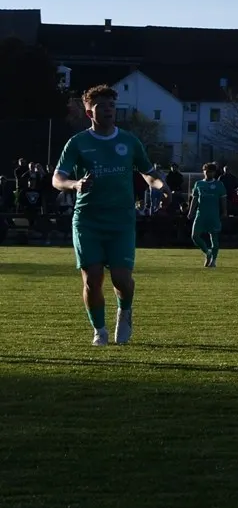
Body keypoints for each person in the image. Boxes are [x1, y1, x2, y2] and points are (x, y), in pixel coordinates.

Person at [51, 85, 165, 346]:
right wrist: (75, 184)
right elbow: (58, 178)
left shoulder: (129, 141)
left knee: (122, 279)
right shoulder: (78, 142)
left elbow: (148, 173)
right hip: (87, 219)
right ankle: (99, 331)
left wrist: (160, 186)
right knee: (92, 279)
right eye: (101, 106)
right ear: (89, 112)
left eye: (112, 105)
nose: (108, 110)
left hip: (121, 220)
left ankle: (125, 312)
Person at [189, 161, 229, 268]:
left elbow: (223, 199)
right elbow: (194, 199)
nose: (208, 173)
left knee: (214, 237)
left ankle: (213, 260)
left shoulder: (219, 184)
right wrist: (190, 211)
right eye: (206, 171)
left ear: (214, 172)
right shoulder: (198, 184)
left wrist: (225, 211)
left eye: (211, 172)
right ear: (203, 172)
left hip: (213, 215)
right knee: (194, 236)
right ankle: (207, 252)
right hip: (200, 214)